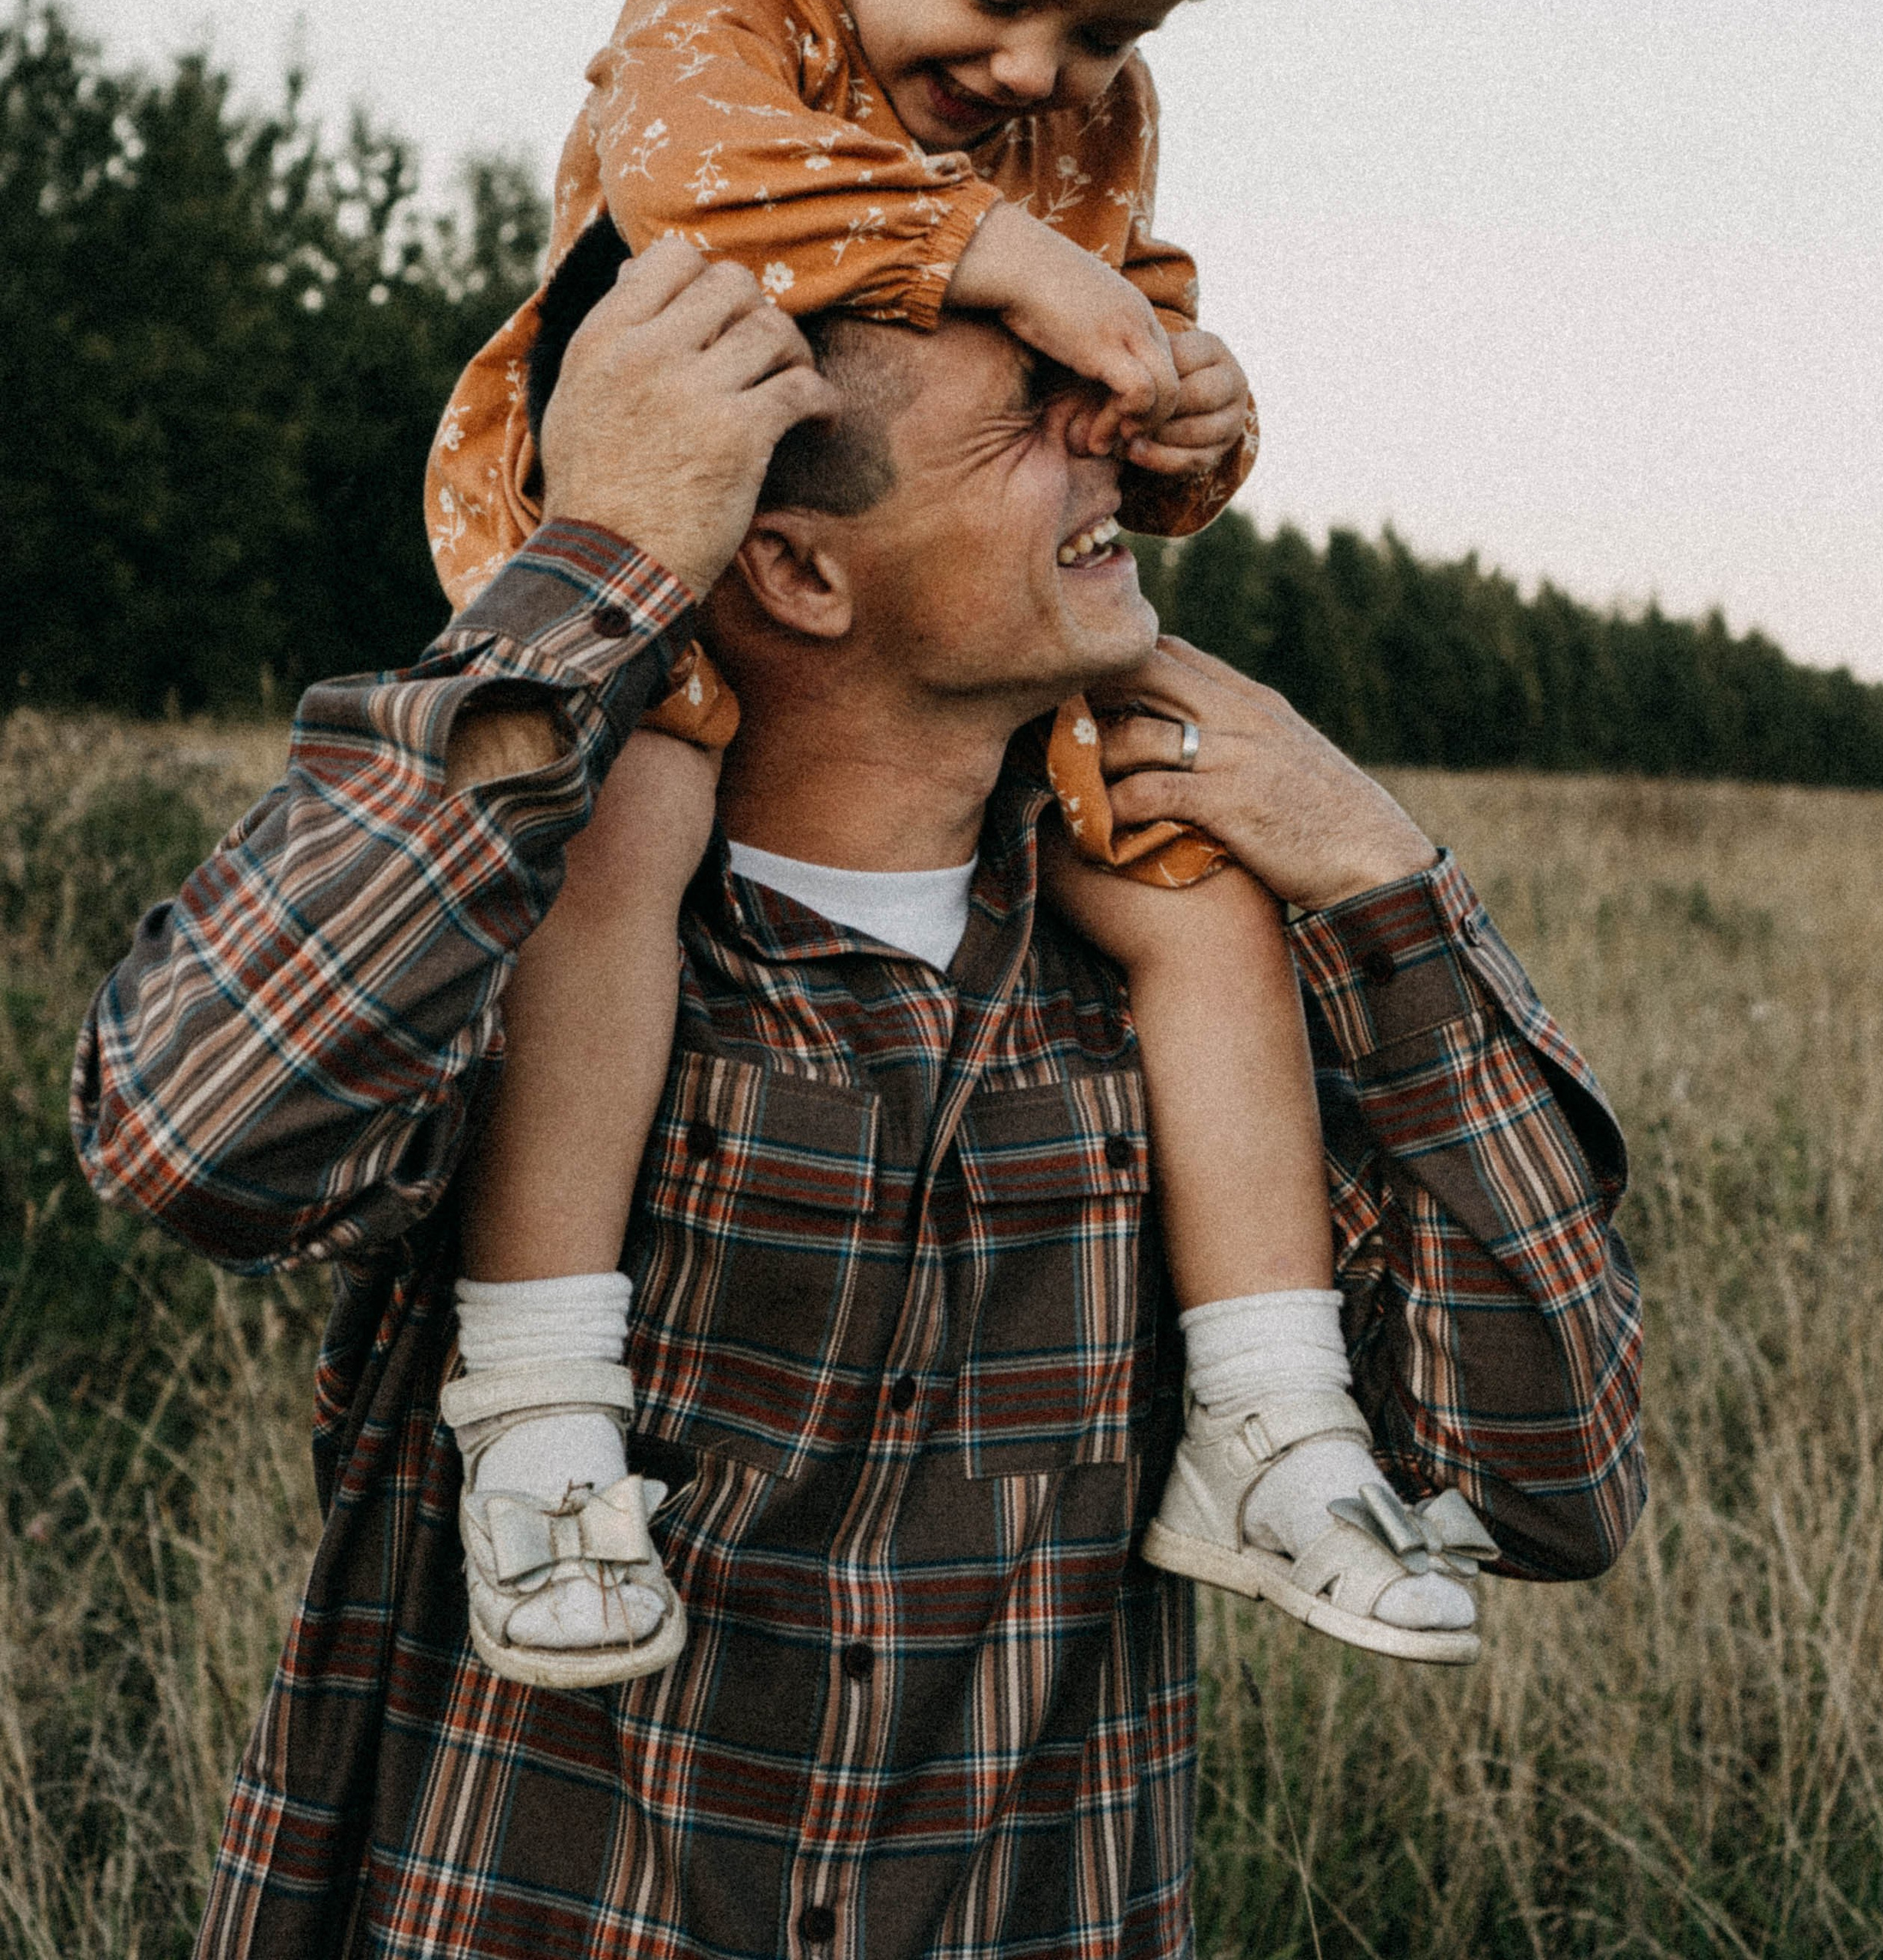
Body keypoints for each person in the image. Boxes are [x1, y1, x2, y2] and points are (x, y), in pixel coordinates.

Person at [74, 238, 1644, 1960]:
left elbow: (1548, 1481)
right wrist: (595, 566)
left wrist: (1377, 878)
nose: (1111, 434)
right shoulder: (545, 949)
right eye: (1025, 421)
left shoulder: (1184, 1004)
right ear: (800, 572)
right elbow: (195, 1141)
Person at [423, 0, 1410, 1687]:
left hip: (944, 588)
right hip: (663, 533)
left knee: (1184, 878)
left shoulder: (1074, 133)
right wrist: (995, 251)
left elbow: (1100, 372)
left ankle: (1265, 1403)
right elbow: (698, 191)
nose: (1040, 74)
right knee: (628, 831)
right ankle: (531, 1399)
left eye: (1110, 40)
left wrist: (1187, 418)